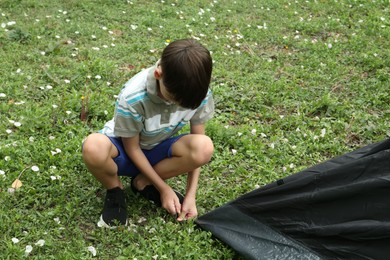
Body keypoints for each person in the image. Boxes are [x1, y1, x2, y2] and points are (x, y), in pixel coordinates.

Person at [82, 39, 215, 227]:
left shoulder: (197, 92)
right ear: (158, 74)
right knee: (93, 146)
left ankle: (142, 183)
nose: (176, 106)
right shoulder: (134, 96)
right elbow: (133, 148)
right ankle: (115, 190)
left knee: (204, 146)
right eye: (173, 99)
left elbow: (198, 139)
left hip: (156, 150)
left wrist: (190, 195)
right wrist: (164, 188)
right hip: (124, 152)